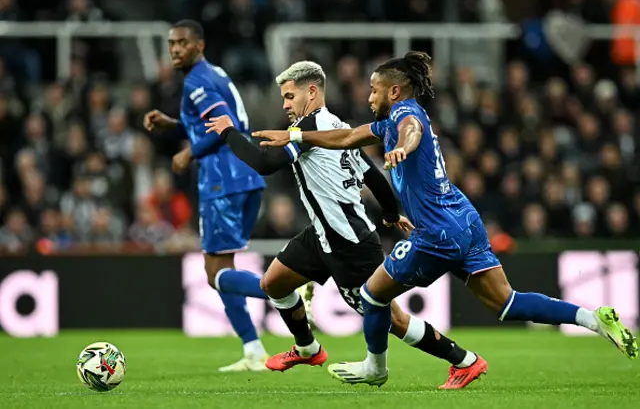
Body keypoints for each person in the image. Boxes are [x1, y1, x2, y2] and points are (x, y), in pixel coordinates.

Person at [251, 51, 639, 387]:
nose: (369, 97)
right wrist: (298, 138)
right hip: (463, 218)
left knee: (372, 294)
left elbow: (412, 131)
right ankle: (592, 319)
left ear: (395, 91)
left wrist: (403, 148)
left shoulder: (404, 114)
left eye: (374, 90)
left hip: (437, 233)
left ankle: (375, 367)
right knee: (507, 303)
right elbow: (348, 138)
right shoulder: (387, 123)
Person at [206, 60, 487, 389]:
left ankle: (465, 360)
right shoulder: (335, 126)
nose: (284, 104)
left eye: (289, 96)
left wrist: (227, 131)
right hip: (320, 234)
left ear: (312, 92)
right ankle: (308, 348)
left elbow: (264, 164)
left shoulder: (307, 132)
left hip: (349, 242)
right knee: (274, 283)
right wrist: (391, 213)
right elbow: (373, 177)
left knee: (391, 318)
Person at [142, 20, 269, 372]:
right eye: (171, 43)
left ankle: (284, 289)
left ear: (199, 45)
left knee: (215, 273)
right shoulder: (213, 74)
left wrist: (190, 152)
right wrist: (175, 123)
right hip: (246, 174)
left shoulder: (196, 80)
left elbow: (223, 123)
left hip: (221, 180)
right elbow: (211, 119)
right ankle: (253, 349)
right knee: (221, 267)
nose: (175, 50)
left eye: (182, 43)